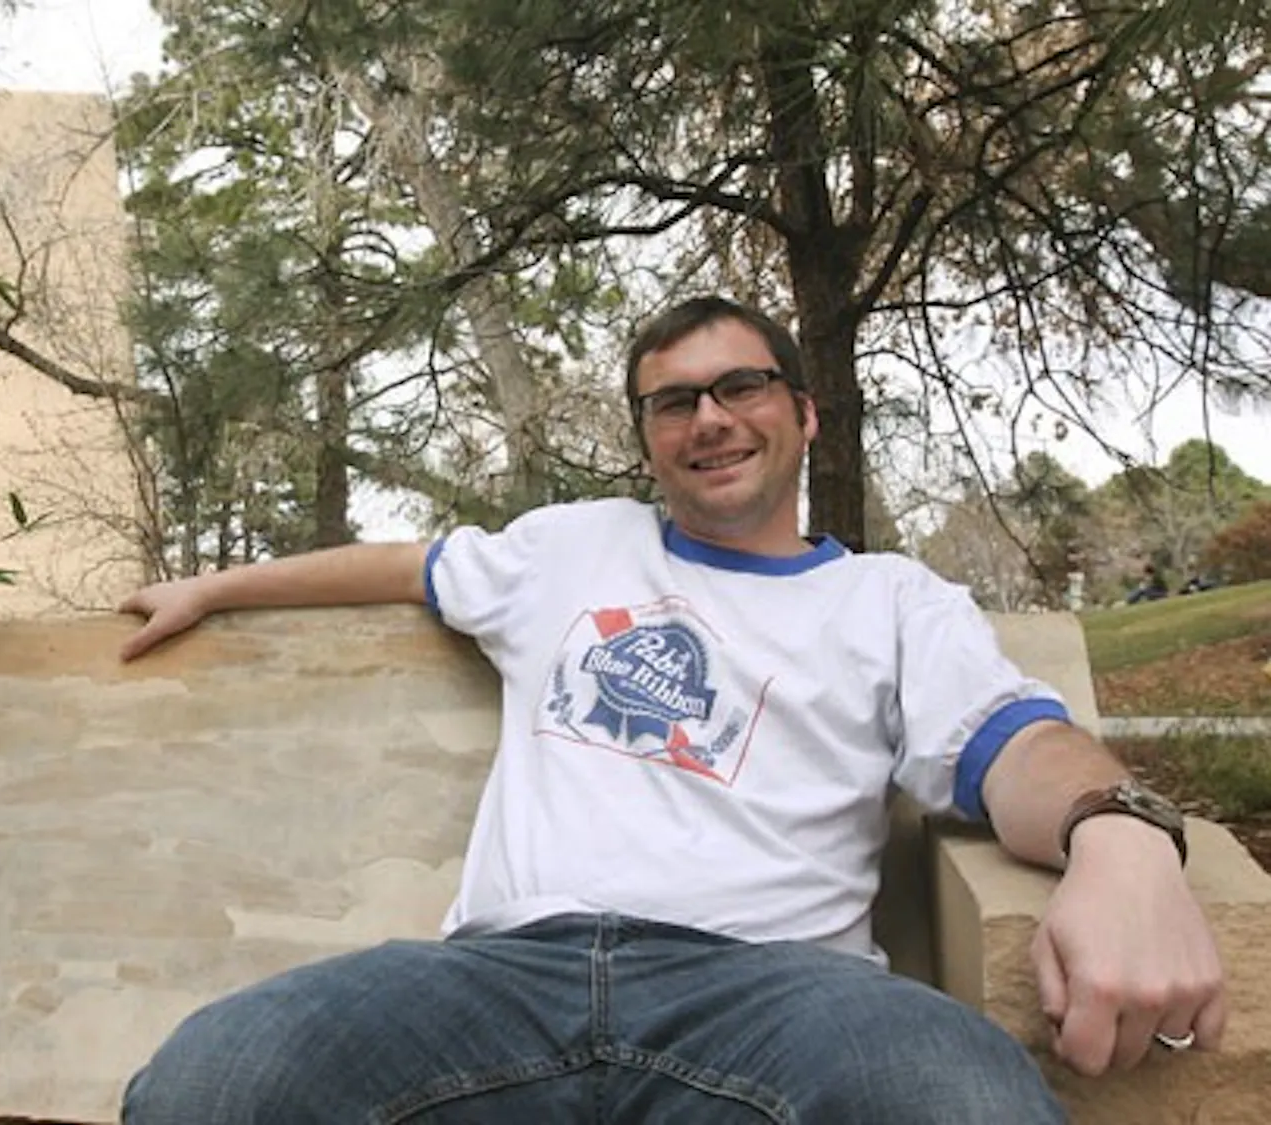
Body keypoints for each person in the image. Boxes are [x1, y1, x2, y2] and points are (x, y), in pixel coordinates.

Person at [117, 297, 1225, 1124]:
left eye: (740, 387)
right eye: (674, 401)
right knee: (212, 1081)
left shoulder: (887, 602)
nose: (710, 418)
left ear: (802, 413)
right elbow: (407, 565)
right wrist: (216, 587)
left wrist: (1120, 835)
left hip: (772, 991)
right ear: (650, 437)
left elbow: (1013, 748)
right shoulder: (573, 548)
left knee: (962, 1101)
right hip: (503, 976)